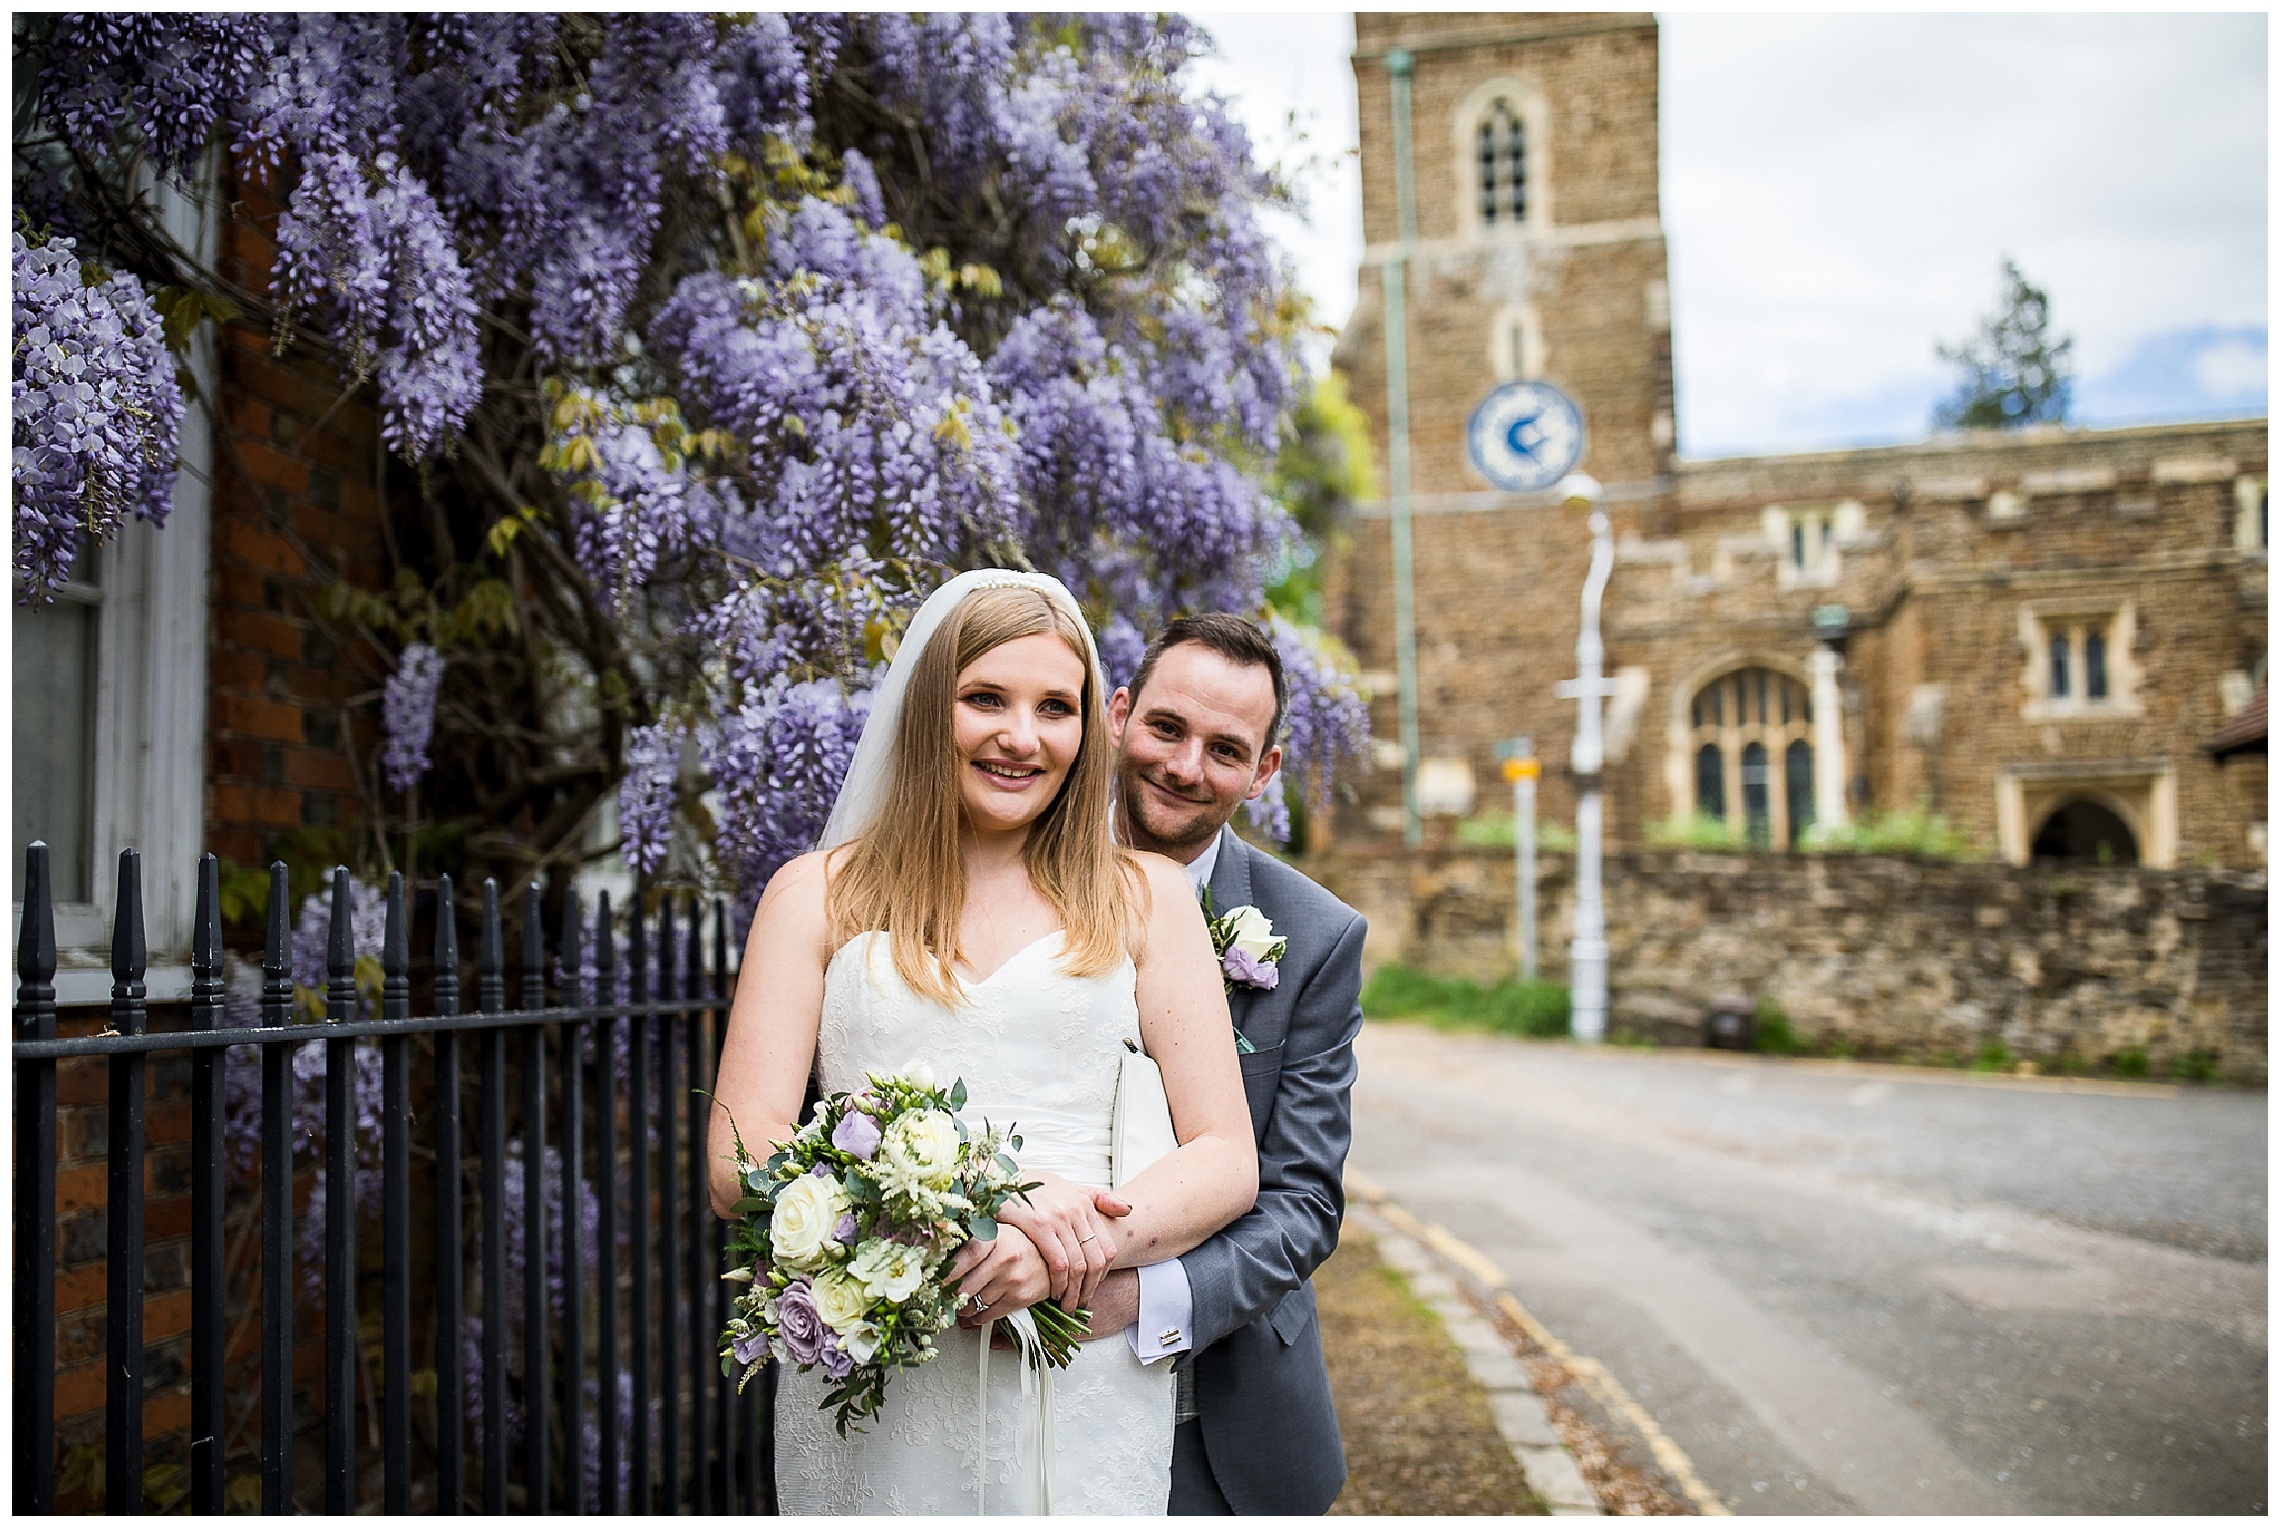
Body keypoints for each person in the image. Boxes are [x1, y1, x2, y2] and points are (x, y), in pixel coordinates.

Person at [706, 570, 1258, 1515]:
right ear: (931, 710)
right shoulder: (816, 895)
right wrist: (973, 1212)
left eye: (1056, 708)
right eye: (985, 699)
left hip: (1075, 1360)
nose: (1022, 737)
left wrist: (1066, 1247)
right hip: (880, 1356)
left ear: (1091, 729)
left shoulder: (1146, 897)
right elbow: (737, 1160)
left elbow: (1224, 1157)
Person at [1089, 613, 1368, 1515]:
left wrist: (1138, 1299)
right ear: (1119, 714)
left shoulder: (1316, 936)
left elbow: (1303, 1203)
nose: (1183, 767)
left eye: (1224, 749)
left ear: (1265, 771)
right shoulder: (1000, 877)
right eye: (1166, 728)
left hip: (1220, 1413)